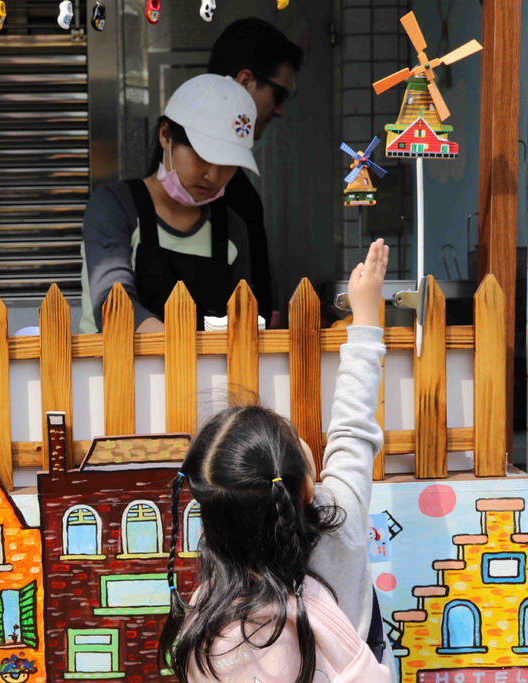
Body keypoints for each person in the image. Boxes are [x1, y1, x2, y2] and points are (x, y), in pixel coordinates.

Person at [159, 239, 394, 683]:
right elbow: (352, 432)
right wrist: (365, 321)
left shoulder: (216, 592)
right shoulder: (339, 519)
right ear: (306, 485)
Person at [80, 73, 261, 333]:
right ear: (166, 135)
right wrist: (181, 350)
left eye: (228, 164)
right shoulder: (115, 207)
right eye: (202, 155)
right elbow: (113, 305)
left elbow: (241, 321)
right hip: (114, 370)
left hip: (204, 373)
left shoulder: (232, 230)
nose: (213, 174)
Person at [208, 18, 303, 325]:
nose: (280, 110)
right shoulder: (199, 186)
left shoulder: (235, 182)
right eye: (279, 95)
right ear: (245, 81)